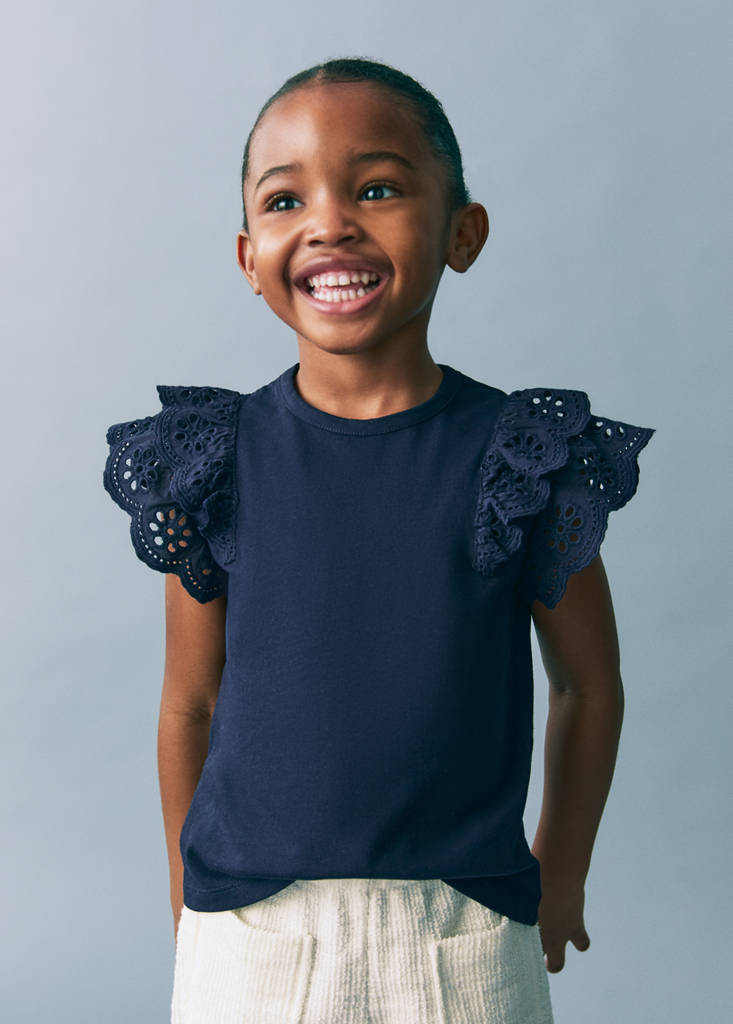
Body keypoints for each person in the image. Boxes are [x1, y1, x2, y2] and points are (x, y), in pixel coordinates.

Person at [102, 56, 655, 1024]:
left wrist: (560, 872)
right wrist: (187, 897)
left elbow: (587, 684)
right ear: (249, 258)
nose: (329, 223)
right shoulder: (213, 457)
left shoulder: (523, 457)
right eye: (286, 200)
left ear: (461, 232)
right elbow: (190, 701)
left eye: (377, 188)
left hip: (460, 933)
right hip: (252, 935)